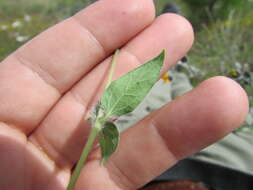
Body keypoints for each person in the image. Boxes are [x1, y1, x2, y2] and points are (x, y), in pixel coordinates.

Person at [0, 0, 249, 189]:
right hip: (233, 168)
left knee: (155, 97)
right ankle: (178, 67)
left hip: (169, 173)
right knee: (195, 99)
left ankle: (173, 69)